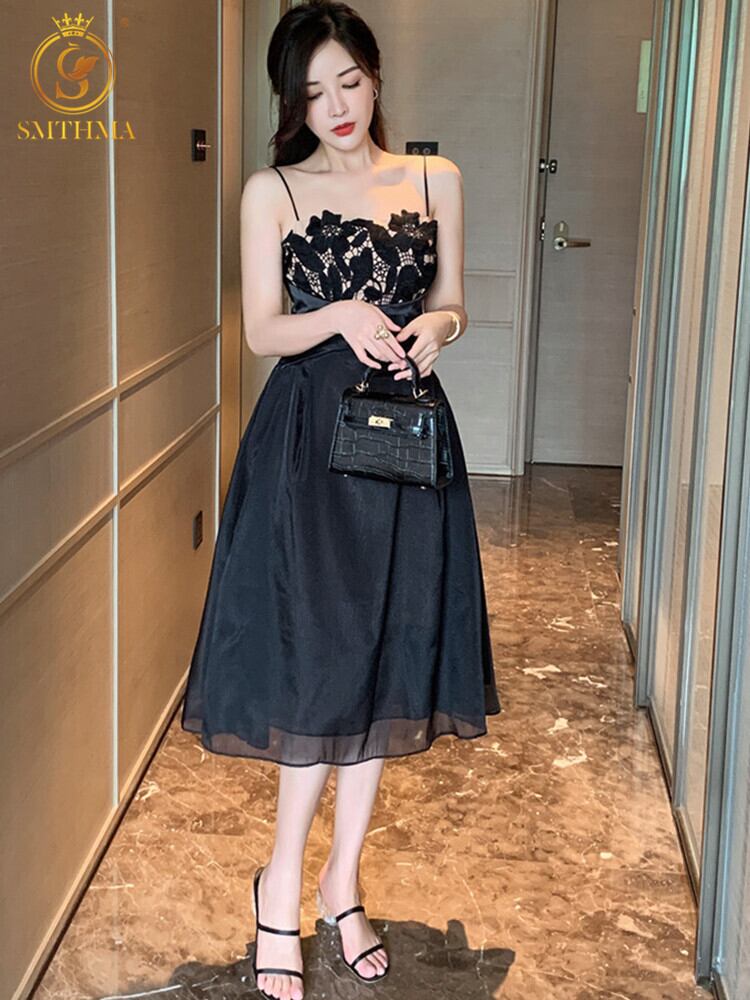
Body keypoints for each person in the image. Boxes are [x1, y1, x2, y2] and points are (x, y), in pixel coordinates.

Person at [180, 2, 502, 997]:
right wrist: (340, 314)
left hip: (408, 440)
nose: (336, 106)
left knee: (389, 656)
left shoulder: (436, 179)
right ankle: (280, 885)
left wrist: (439, 328)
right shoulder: (272, 190)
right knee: (322, 663)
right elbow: (260, 333)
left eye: (349, 82)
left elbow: (453, 300)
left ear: (374, 74)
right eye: (313, 92)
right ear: (293, 102)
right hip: (309, 449)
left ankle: (340, 883)